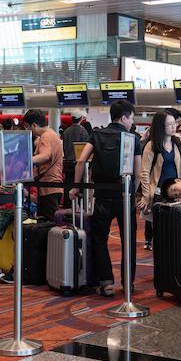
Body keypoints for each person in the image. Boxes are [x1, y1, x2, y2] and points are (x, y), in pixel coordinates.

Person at [69, 100, 141, 297]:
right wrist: (132, 193)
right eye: (131, 118)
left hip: (102, 196)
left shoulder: (97, 134)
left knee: (99, 238)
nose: (131, 122)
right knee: (129, 239)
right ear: (124, 117)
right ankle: (128, 282)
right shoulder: (133, 138)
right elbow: (138, 171)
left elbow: (82, 160)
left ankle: (106, 282)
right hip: (124, 196)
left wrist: (76, 186)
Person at [139, 111, 181, 249]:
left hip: (177, 193)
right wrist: (146, 196)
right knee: (160, 233)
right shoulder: (151, 146)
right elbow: (144, 173)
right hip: (158, 195)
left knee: (176, 232)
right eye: (169, 124)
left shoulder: (179, 143)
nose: (173, 126)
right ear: (160, 126)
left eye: (174, 123)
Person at [23, 109, 64, 221]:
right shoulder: (52, 134)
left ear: (34, 125)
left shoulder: (45, 136)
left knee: (48, 225)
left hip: (49, 187)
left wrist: (26, 160)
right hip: (52, 187)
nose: (27, 130)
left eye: (27, 127)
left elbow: (46, 155)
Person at [62, 109, 90, 183]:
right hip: (79, 165)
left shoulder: (66, 131)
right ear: (81, 118)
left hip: (68, 164)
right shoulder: (83, 131)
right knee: (79, 187)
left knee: (69, 185)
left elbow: (64, 148)